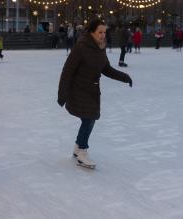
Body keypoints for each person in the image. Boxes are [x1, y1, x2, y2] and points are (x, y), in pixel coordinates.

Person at [57, 18, 132, 169]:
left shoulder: (100, 47)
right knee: (89, 119)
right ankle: (82, 153)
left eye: (105, 32)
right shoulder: (81, 47)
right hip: (79, 89)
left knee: (88, 119)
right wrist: (62, 94)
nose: (103, 35)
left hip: (92, 90)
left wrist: (124, 77)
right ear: (91, 32)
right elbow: (67, 71)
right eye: (100, 32)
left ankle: (78, 147)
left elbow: (106, 69)